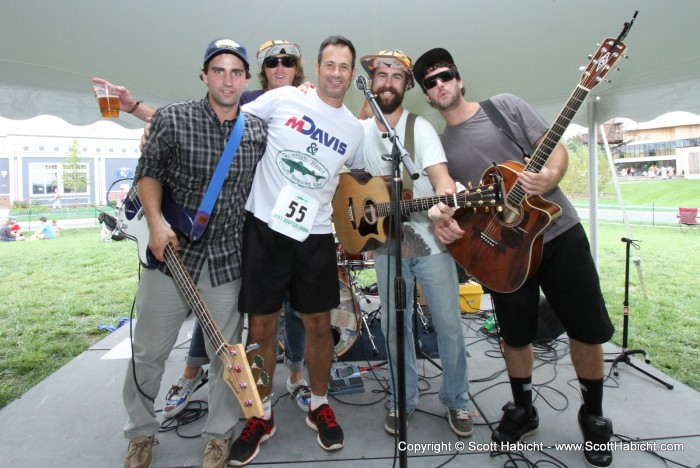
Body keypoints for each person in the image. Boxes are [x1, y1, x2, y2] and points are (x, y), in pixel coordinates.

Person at [416, 48, 615, 468]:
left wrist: (550, 176)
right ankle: (523, 408)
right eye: (430, 83)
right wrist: (443, 218)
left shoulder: (504, 107)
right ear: (428, 97)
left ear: (460, 78)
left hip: (558, 234)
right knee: (515, 334)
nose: (440, 85)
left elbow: (552, 146)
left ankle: (593, 413)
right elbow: (451, 199)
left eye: (445, 76)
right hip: (504, 249)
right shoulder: (442, 146)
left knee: (585, 327)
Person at [96, 38, 313, 419]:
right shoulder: (238, 106)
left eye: (288, 60)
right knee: (175, 338)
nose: (281, 66)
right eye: (273, 61)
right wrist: (133, 108)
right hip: (197, 243)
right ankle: (164, 403)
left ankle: (272, 392)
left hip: (255, 241)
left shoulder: (289, 113)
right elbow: (165, 143)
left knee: (251, 335)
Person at [121, 38, 267, 468]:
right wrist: (155, 222)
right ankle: (140, 433)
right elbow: (148, 173)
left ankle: (219, 434)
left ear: (246, 79)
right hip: (171, 258)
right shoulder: (173, 118)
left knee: (228, 355)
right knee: (149, 352)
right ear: (204, 75)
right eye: (218, 71)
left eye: (236, 72)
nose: (227, 79)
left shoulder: (257, 130)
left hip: (225, 262)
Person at [228, 35, 364, 466]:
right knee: (261, 329)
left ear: (352, 73)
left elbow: (352, 182)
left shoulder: (354, 130)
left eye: (344, 66)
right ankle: (261, 414)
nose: (336, 73)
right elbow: (226, 116)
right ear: (317, 68)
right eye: (330, 64)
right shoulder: (283, 97)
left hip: (316, 235)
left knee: (320, 326)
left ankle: (319, 403)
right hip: (265, 230)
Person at [356, 49, 471, 437]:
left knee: (449, 325)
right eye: (380, 76)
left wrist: (443, 207)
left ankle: (455, 400)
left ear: (406, 85)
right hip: (387, 242)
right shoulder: (360, 130)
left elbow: (442, 180)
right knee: (394, 327)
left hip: (429, 242)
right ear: (371, 84)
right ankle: (401, 401)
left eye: (395, 77)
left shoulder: (418, 128)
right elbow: (346, 181)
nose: (387, 82)